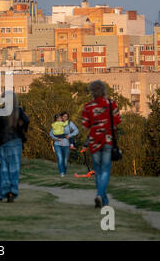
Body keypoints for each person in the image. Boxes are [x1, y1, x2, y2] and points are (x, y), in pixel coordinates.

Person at [82, 80, 121, 208]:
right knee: (105, 170)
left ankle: (102, 198)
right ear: (104, 90)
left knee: (98, 171)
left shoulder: (87, 107)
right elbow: (117, 121)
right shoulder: (111, 104)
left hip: (94, 141)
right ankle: (100, 196)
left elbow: (85, 125)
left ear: (91, 92)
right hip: (108, 140)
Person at [0, 91, 30, 203]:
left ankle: (5, 191)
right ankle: (13, 191)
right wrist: (22, 128)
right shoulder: (19, 110)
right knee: (14, 168)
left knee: (4, 169)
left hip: (3, 142)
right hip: (16, 141)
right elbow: (27, 120)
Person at [49, 112, 79, 177]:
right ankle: (61, 173)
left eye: (66, 116)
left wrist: (70, 135)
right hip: (57, 144)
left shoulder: (69, 123)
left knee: (65, 161)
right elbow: (51, 133)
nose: (65, 118)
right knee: (60, 159)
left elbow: (76, 130)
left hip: (66, 145)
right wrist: (56, 138)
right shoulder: (56, 123)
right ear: (61, 117)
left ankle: (64, 172)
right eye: (64, 116)